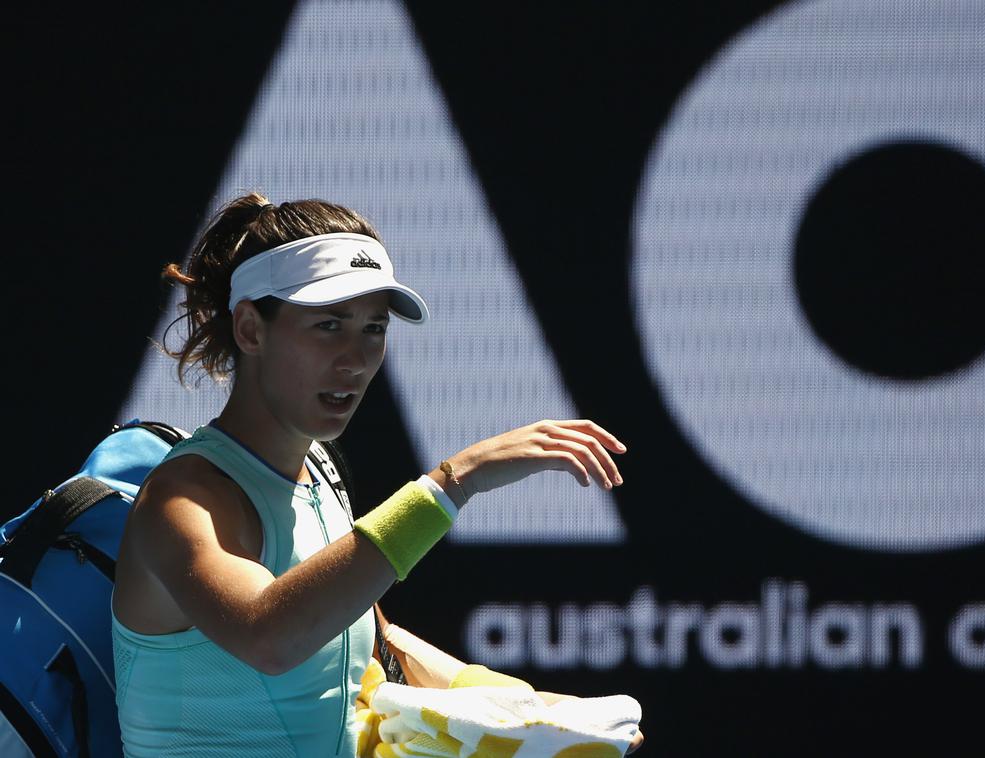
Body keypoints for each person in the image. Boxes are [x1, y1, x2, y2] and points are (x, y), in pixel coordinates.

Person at [111, 193, 642, 757]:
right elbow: (269, 637)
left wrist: (540, 713)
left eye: (373, 328)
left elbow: (378, 644)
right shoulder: (181, 499)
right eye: (329, 325)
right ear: (250, 329)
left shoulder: (318, 476)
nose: (356, 359)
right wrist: (455, 480)